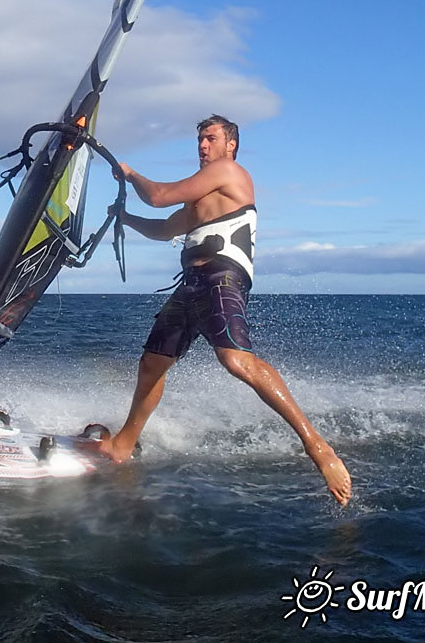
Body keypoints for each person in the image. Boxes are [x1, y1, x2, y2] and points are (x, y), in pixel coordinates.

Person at [100, 115, 353, 506]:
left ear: (230, 144)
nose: (202, 146)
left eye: (210, 138)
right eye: (199, 139)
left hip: (222, 280)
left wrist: (130, 173)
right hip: (191, 287)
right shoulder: (202, 199)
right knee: (153, 362)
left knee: (236, 362)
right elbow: (165, 228)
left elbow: (158, 195)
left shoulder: (229, 171)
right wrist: (124, 219)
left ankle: (319, 449)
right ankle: (123, 445)